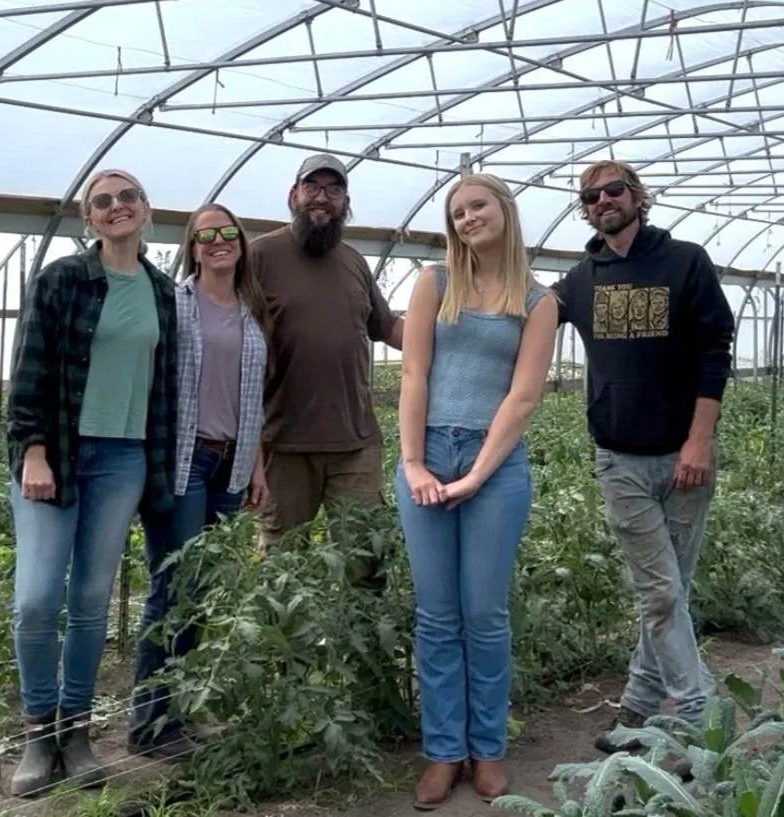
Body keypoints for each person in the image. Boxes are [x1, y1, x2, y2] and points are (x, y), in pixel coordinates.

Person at [549, 159, 735, 757]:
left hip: (684, 457)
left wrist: (699, 439)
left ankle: (639, 697)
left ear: (637, 196)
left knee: (669, 589)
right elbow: (523, 316)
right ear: (585, 209)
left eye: (614, 189)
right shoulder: (581, 279)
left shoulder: (684, 261)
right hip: (620, 461)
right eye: (590, 195)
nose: (602, 200)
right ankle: (696, 710)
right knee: (659, 591)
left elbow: (714, 350)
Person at [5, 169, 178, 798]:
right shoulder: (60, 280)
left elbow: (165, 388)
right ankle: (37, 731)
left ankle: (75, 730)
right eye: (102, 201)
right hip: (58, 453)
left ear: (145, 208)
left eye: (128, 196)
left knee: (92, 600)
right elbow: (29, 369)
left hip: (123, 459)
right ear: (89, 220)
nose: (116, 207)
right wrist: (33, 450)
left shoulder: (161, 292)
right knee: (35, 598)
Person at [395, 173, 557, 809]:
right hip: (429, 454)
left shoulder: (537, 300)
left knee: (484, 616)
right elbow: (413, 373)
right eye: (457, 212)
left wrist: (478, 474)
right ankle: (443, 754)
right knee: (436, 618)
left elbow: (523, 396)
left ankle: (487, 749)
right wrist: (413, 464)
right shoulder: (434, 284)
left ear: (504, 210)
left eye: (477, 206)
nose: (467, 219)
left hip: (494, 465)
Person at [127, 203, 270, 759]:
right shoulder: (173, 302)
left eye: (227, 233)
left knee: (202, 590)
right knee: (173, 588)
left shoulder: (251, 309)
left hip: (230, 465)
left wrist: (256, 465)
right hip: (184, 461)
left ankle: (178, 712)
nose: (217, 242)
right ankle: (149, 722)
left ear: (240, 242)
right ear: (191, 246)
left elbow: (251, 398)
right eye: (205, 235)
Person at [248, 153, 403, 587]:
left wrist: (452, 339)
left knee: (365, 557)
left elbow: (386, 327)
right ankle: (284, 655)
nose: (323, 198)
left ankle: (363, 651)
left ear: (345, 202)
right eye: (312, 187)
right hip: (284, 443)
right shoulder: (261, 255)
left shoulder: (353, 260)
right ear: (293, 195)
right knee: (283, 567)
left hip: (355, 442)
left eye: (334, 190)